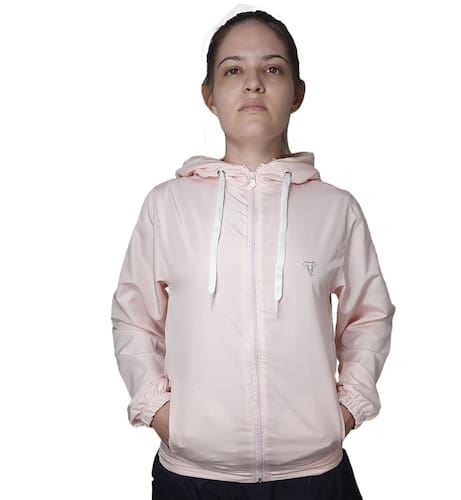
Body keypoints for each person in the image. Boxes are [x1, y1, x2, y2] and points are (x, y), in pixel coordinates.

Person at [110, 9, 396, 500]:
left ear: (297, 92)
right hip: (193, 478)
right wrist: (159, 411)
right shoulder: (168, 205)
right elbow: (134, 317)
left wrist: (348, 406)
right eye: (233, 70)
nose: (253, 83)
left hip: (314, 477)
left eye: (273, 68)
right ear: (210, 95)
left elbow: (368, 315)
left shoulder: (336, 209)